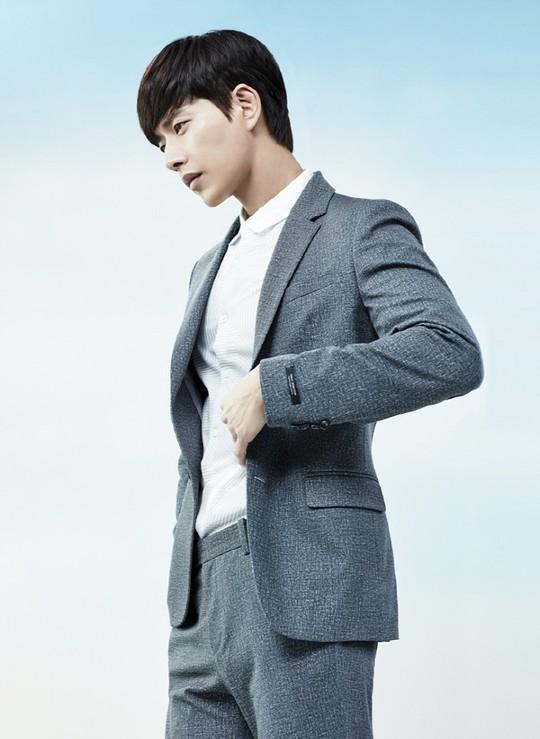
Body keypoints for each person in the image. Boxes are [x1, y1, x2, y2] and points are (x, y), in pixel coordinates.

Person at [136, 29, 484, 739]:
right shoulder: (205, 272)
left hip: (309, 577)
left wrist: (280, 387)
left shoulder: (359, 228)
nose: (170, 156)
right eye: (160, 142)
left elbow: (448, 350)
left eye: (180, 126)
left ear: (244, 105)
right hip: (200, 599)